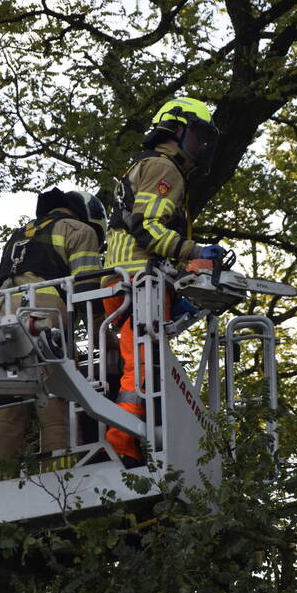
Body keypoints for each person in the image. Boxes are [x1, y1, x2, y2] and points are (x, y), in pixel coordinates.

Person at [101, 97, 224, 463]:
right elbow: (148, 228)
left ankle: (130, 441)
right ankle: (122, 447)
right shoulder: (163, 168)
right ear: (178, 130)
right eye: (199, 137)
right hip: (138, 283)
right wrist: (195, 251)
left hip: (125, 282)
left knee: (137, 362)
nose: (202, 147)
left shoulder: (144, 167)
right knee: (143, 365)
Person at [0, 187, 106, 475]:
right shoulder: (80, 230)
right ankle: (61, 478)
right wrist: (103, 335)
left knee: (5, 408)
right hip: (43, 316)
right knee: (58, 402)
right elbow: (87, 290)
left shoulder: (19, 234)